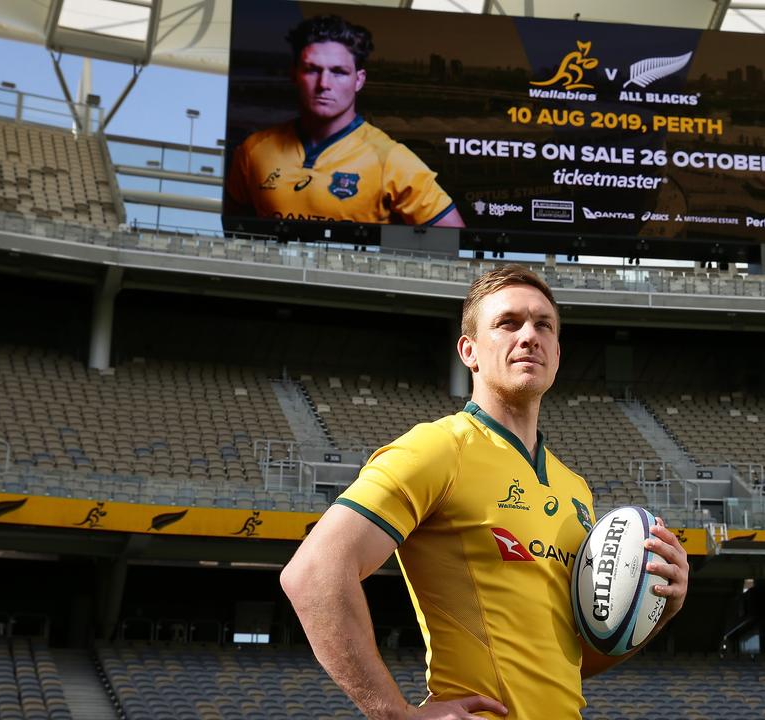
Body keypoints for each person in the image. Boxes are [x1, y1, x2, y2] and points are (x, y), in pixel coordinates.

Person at [280, 264, 689, 720]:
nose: (530, 335)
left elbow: (568, 662)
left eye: (544, 325)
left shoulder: (575, 489)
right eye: (508, 323)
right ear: (469, 350)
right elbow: (313, 573)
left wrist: (658, 610)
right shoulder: (438, 448)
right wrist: (395, 713)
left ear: (557, 352)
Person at [225, 15, 464, 228]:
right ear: (294, 73)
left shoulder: (391, 160)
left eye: (338, 71)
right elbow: (232, 230)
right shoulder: (253, 150)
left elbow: (455, 242)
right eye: (312, 70)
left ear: (359, 80)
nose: (324, 84)